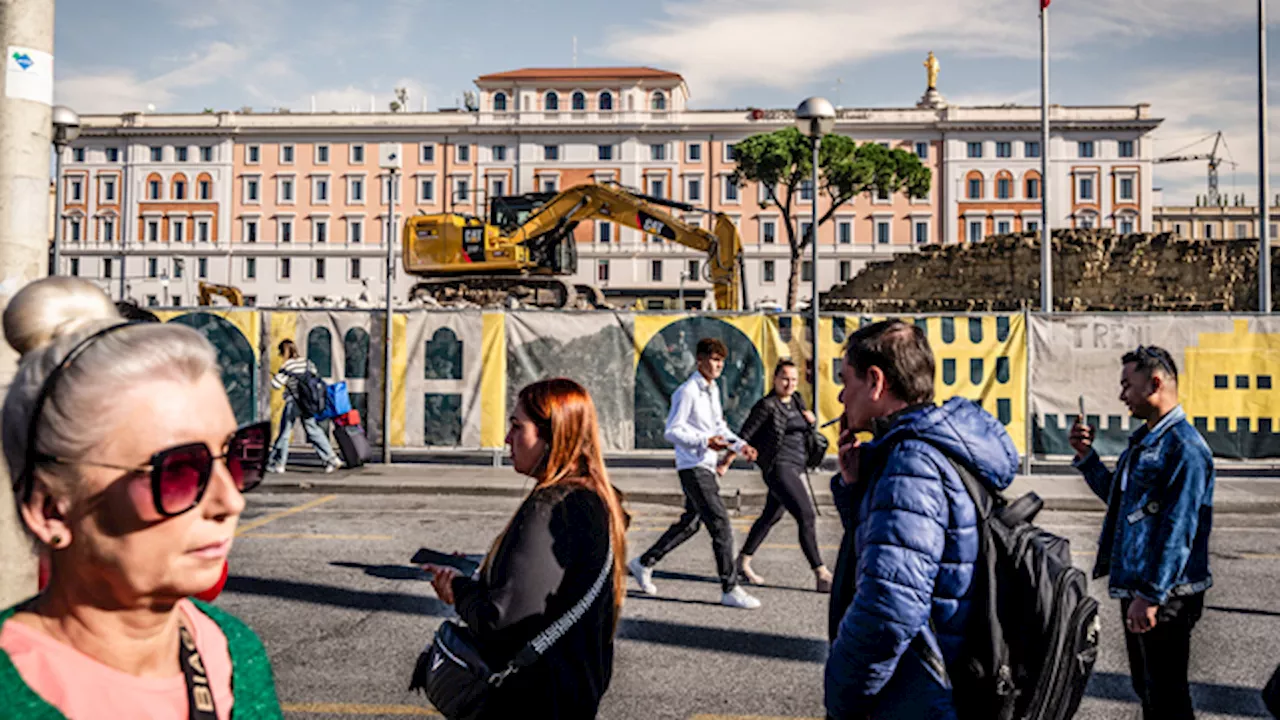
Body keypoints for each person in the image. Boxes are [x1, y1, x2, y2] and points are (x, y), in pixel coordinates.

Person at [0, 277, 282, 719]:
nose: (231, 501)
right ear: (50, 509)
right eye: (179, 470)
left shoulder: (231, 651)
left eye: (238, 456)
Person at [824, 320, 1018, 719]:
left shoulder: (911, 461)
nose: (842, 396)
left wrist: (842, 698)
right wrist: (855, 487)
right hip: (942, 679)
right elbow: (890, 551)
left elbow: (889, 607)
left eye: (847, 381)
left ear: (876, 381)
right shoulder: (930, 449)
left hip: (918, 692)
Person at [424, 378, 628, 719]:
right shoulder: (595, 499)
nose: (507, 439)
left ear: (554, 436)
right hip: (572, 691)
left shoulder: (551, 507)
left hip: (533, 698)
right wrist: (484, 573)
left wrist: (458, 590)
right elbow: (549, 587)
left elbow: (499, 623)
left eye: (518, 427)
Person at [1070, 346, 1214, 720]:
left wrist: (1151, 595)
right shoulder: (1146, 441)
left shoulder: (1185, 448)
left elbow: (1178, 529)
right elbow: (1122, 504)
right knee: (1148, 690)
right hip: (1140, 589)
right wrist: (1087, 458)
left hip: (1165, 595)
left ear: (1154, 383)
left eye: (1127, 386)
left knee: (1166, 696)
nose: (1122, 396)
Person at [627, 337, 762, 609]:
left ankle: (643, 563)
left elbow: (719, 428)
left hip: (707, 466)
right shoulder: (687, 391)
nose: (718, 366)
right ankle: (730, 587)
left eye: (721, 361)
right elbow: (672, 430)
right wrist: (704, 442)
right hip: (693, 466)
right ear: (699, 360)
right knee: (721, 524)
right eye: (713, 360)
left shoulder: (712, 391)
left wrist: (741, 445)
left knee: (691, 523)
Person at [735, 359, 833, 592]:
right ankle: (821, 573)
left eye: (793, 379)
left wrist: (810, 422)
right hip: (778, 467)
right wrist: (729, 459)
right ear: (775, 379)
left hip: (797, 466)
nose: (789, 384)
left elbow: (803, 429)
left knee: (771, 516)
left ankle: (742, 561)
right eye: (785, 379)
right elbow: (744, 435)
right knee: (806, 515)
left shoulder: (797, 400)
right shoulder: (766, 406)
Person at [266, 339, 340, 474]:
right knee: (313, 431)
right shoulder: (307, 363)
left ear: (283, 352)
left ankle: (279, 464)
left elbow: (276, 385)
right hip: (308, 403)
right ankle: (331, 458)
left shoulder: (287, 366)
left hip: (293, 403)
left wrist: (277, 377)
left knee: (285, 433)